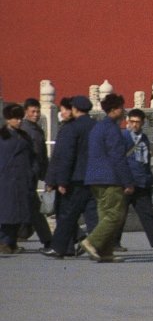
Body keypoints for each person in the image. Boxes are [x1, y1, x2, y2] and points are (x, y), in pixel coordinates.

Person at [80, 94, 135, 263]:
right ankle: (92, 241)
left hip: (94, 178)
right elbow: (118, 157)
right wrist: (128, 181)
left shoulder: (98, 128)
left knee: (104, 215)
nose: (124, 111)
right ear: (113, 110)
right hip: (110, 178)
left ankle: (105, 252)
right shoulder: (112, 129)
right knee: (115, 215)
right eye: (121, 107)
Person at [113, 109, 153, 252]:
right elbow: (118, 160)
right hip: (126, 183)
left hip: (142, 182)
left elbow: (146, 162)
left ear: (142, 123)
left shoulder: (144, 138)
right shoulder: (122, 137)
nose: (134, 125)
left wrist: (150, 181)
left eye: (138, 122)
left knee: (147, 214)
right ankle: (113, 243)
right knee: (119, 215)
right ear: (127, 121)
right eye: (132, 121)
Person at [44, 95, 97, 259]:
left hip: (76, 179)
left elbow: (66, 157)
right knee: (93, 214)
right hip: (95, 177)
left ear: (74, 109)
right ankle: (97, 245)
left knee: (67, 214)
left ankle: (59, 247)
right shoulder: (96, 126)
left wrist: (61, 181)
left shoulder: (71, 128)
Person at [1, 104, 36, 254]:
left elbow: (32, 157)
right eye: (16, 118)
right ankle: (4, 241)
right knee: (6, 213)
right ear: (8, 119)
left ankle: (12, 242)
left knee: (19, 213)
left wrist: (33, 172)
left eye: (20, 118)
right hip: (5, 179)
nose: (19, 121)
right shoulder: (2, 136)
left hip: (22, 178)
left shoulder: (24, 136)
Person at [20, 97, 53, 250]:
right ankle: (47, 240)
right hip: (27, 174)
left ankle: (17, 235)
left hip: (32, 174)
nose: (36, 114)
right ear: (26, 112)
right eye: (33, 111)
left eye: (38, 111)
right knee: (33, 208)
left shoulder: (35, 129)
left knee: (27, 206)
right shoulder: (26, 130)